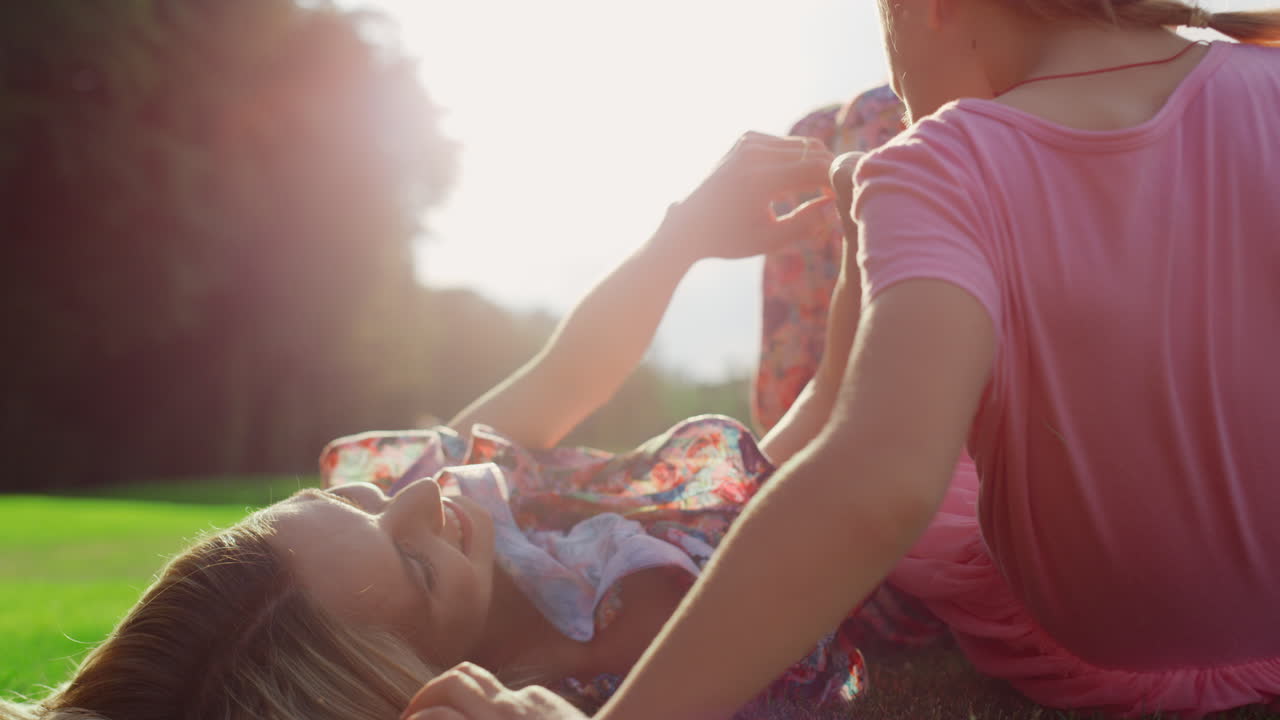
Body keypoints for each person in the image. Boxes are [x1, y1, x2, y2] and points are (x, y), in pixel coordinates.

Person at [403, 2, 1280, 719]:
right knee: (847, 146)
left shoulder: (942, 164)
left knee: (854, 147)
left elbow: (866, 472)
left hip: (1103, 633)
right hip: (1205, 628)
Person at [0, 132, 843, 720]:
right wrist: (888, 274)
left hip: (811, 421)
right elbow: (828, 485)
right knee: (884, 145)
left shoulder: (449, 512)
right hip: (856, 475)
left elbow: (567, 375)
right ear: (427, 685)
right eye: (415, 561)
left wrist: (682, 236)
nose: (420, 500)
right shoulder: (613, 676)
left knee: (821, 145)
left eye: (356, 501)